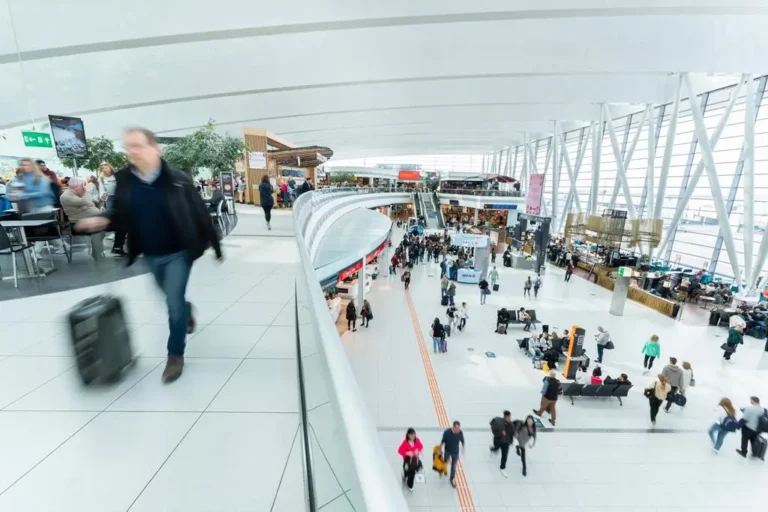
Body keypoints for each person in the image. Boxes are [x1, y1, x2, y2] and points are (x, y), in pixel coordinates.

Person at [76, 127, 222, 383]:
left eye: (138, 145)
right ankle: (187, 311)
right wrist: (101, 221)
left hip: (179, 252)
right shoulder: (125, 181)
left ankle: (175, 355)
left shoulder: (178, 179)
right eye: (129, 146)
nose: (133, 151)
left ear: (156, 149)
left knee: (172, 303)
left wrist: (216, 245)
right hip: (150, 254)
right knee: (169, 297)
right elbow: (120, 212)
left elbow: (200, 212)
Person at [60, 177, 105, 259]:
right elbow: (84, 202)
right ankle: (97, 254)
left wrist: (102, 200)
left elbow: (97, 207)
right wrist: (87, 191)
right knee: (97, 229)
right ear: (76, 186)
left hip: (92, 219)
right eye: (84, 185)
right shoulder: (66, 196)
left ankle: (98, 252)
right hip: (78, 223)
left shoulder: (83, 194)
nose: (86, 186)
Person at [99, 163, 126, 255]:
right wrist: (102, 197)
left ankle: (118, 243)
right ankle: (115, 238)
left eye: (106, 168)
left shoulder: (116, 176)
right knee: (113, 217)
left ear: (110, 168)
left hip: (119, 197)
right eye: (103, 168)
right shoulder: (102, 179)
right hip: (110, 198)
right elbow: (101, 190)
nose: (104, 170)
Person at [489, 411, 514, 478]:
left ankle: (502, 467)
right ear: (505, 417)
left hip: (506, 443)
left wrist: (511, 441)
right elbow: (493, 430)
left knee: (504, 455)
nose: (509, 419)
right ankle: (492, 449)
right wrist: (501, 433)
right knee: (496, 448)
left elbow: (512, 433)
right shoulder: (498, 422)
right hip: (498, 441)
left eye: (510, 417)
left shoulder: (511, 424)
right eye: (508, 417)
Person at [440, 421, 465, 488]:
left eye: (459, 428)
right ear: (453, 427)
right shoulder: (447, 433)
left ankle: (452, 479)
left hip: (455, 452)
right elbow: (442, 441)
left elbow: (462, 440)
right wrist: (440, 449)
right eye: (457, 428)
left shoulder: (460, 433)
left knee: (453, 467)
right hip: (447, 451)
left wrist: (463, 446)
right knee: (446, 461)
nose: (458, 430)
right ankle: (443, 465)